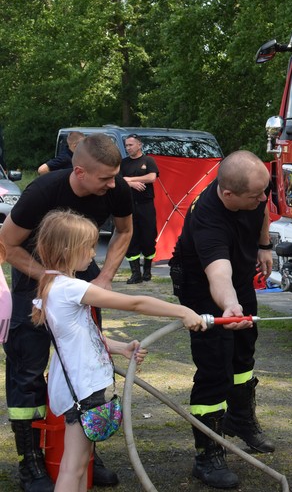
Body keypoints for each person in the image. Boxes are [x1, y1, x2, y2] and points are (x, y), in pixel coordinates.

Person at [31, 210, 206, 492]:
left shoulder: (54, 286)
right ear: (67, 250)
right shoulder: (71, 288)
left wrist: (120, 347)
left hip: (77, 385)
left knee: (80, 461)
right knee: (73, 465)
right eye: (87, 247)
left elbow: (80, 337)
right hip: (84, 388)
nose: (92, 253)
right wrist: (182, 310)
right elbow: (134, 304)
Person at [0, 134, 133, 491]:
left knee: (86, 362)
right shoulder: (42, 192)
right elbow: (6, 245)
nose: (113, 184)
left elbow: (125, 231)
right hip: (35, 276)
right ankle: (30, 462)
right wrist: (51, 280)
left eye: (115, 176)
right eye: (104, 178)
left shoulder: (114, 187)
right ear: (79, 171)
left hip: (83, 276)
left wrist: (104, 277)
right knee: (27, 369)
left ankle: (86, 451)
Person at [171, 150, 274, 488]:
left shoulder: (254, 187)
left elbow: (262, 209)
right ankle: (207, 455)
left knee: (244, 353)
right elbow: (218, 273)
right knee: (215, 365)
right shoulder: (207, 218)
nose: (262, 198)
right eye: (255, 195)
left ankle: (240, 421)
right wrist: (230, 306)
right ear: (229, 194)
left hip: (240, 277)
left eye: (264, 191)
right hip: (203, 286)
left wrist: (264, 245)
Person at [121, 134, 160, 284]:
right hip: (129, 205)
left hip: (146, 205)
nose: (128, 148)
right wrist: (131, 184)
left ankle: (147, 271)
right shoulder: (123, 163)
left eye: (131, 145)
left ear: (139, 145)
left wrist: (130, 179)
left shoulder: (148, 160)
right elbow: (118, 179)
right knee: (132, 239)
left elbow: (151, 177)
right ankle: (135, 274)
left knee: (148, 238)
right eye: (126, 145)